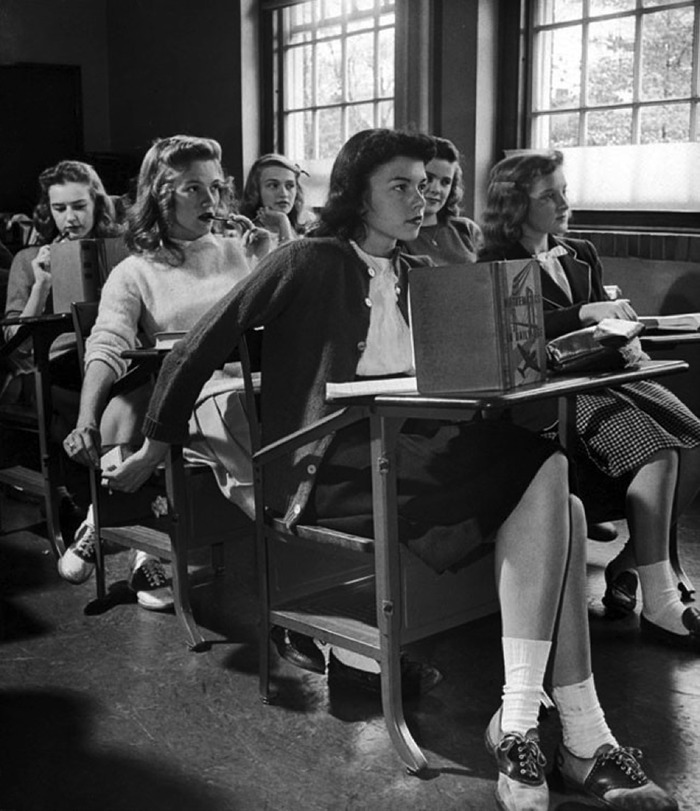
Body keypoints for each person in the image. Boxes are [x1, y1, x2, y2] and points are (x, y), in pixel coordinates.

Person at [102, 129, 675, 811]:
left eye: (423, 185)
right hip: (325, 464)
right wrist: (155, 444)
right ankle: (562, 730)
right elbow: (195, 349)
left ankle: (542, 723)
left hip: (408, 451)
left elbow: (481, 347)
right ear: (356, 193)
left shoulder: (415, 269)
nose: (420, 197)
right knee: (552, 479)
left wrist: (572, 340)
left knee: (563, 497)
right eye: (400, 186)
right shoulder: (307, 259)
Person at [480, 149, 700, 652]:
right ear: (515, 204)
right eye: (549, 195)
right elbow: (513, 338)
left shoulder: (580, 252)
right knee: (659, 450)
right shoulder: (493, 263)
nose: (564, 203)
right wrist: (583, 313)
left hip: (607, 375)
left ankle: (630, 564)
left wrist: (623, 333)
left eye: (564, 191)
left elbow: (603, 323)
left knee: (694, 438)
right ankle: (662, 602)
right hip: (552, 392)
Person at [59, 135, 253, 611]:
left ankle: (114, 520)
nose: (210, 200)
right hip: (186, 398)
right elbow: (106, 345)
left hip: (246, 387)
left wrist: (268, 257)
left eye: (215, 187)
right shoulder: (135, 271)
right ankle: (139, 537)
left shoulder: (241, 250)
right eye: (193, 188)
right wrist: (85, 418)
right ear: (161, 196)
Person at [3, 160, 120, 403]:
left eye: (79, 206)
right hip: (61, 364)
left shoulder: (120, 251)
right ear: (48, 211)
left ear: (96, 205)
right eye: (59, 208)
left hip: (118, 352)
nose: (70, 218)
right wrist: (41, 286)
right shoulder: (28, 259)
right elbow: (19, 347)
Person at [401, 135, 483, 265]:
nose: (436, 189)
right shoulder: (398, 236)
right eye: (429, 179)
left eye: (445, 182)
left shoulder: (467, 230)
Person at [239, 153, 311, 249]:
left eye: (289, 186)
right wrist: (282, 221)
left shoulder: (303, 230)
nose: (284, 194)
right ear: (256, 190)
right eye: (273, 185)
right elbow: (288, 257)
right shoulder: (251, 236)